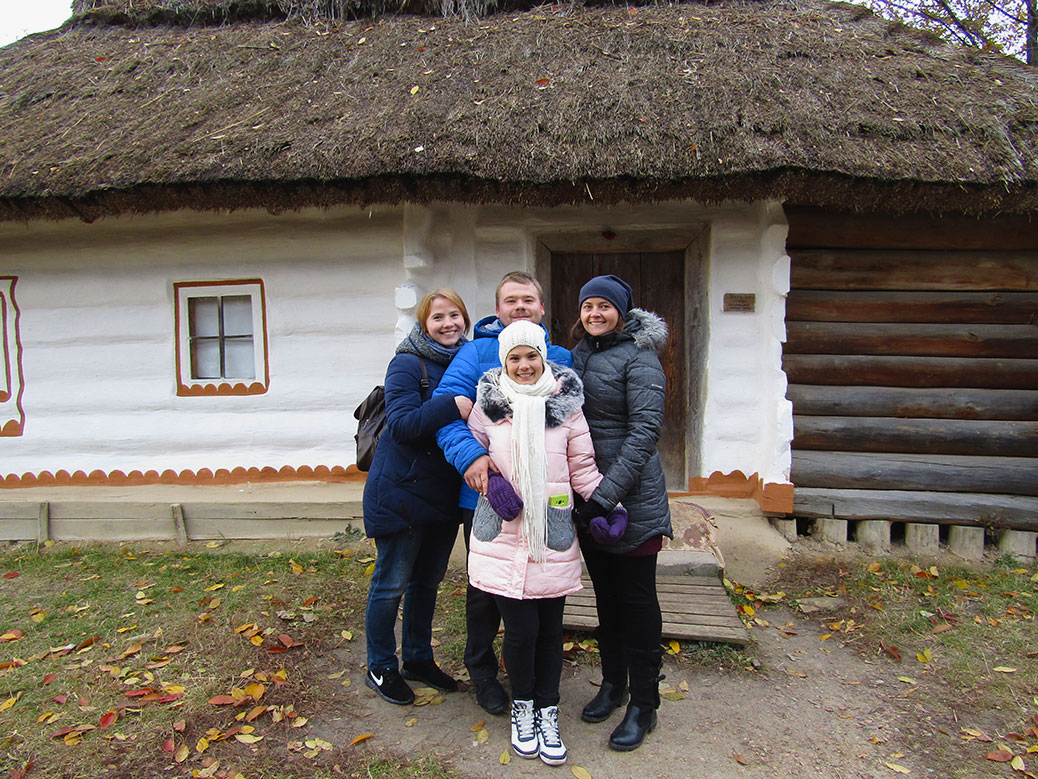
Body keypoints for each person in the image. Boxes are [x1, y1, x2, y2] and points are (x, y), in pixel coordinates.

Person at [465, 320, 623, 765]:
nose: (524, 365)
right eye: (514, 357)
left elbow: (583, 467)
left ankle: (548, 710)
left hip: (551, 536)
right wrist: (487, 479)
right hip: (504, 534)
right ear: (504, 361)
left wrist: (610, 505)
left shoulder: (567, 408)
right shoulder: (488, 406)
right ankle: (524, 708)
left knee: (550, 632)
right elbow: (470, 454)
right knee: (520, 631)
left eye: (531, 355)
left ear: (543, 356)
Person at [434, 271, 572, 715]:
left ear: (542, 308)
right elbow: (446, 412)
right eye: (510, 300)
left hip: (544, 504)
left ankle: (529, 680)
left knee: (540, 594)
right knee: (485, 594)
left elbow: (576, 426)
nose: (519, 306)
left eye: (527, 300)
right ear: (497, 310)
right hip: (486, 497)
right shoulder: (476, 354)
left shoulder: (561, 357)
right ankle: (482, 671)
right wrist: (472, 459)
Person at [568, 274, 673, 751]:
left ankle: (644, 705)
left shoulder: (641, 358)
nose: (595, 314)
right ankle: (614, 685)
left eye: (604, 306)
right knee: (605, 597)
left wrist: (605, 496)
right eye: (588, 306)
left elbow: (645, 432)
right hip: (589, 494)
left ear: (623, 312)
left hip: (631, 497)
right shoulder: (579, 354)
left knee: (635, 602)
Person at [362, 289, 474, 706]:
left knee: (426, 583)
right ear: (423, 324)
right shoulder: (408, 363)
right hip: (401, 492)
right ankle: (380, 666)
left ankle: (417, 658)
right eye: (438, 318)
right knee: (390, 584)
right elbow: (403, 424)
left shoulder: (468, 361)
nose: (448, 324)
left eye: (455, 316)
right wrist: (453, 404)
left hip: (442, 494)